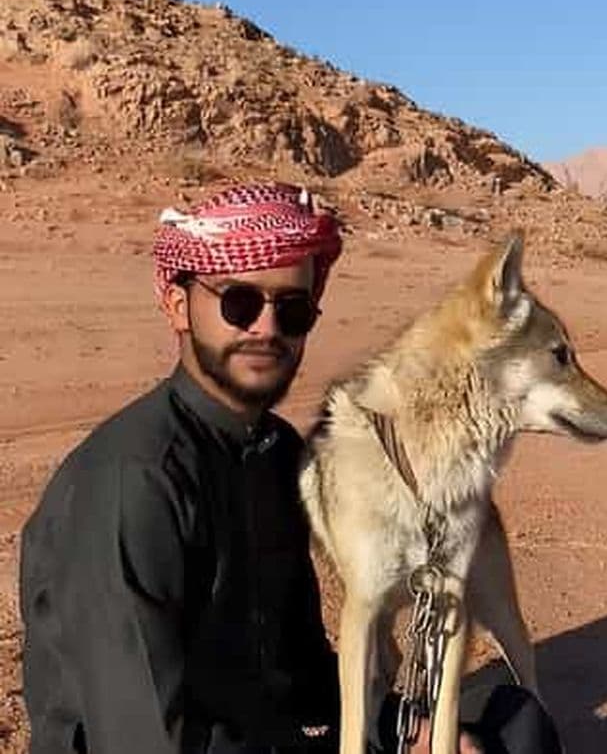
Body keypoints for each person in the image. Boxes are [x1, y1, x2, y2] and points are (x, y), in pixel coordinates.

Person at [19, 182, 563, 754]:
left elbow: (299, 667)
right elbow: (143, 734)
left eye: (292, 310)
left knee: (515, 727)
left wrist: (407, 731)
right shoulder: (133, 483)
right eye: (239, 303)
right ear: (178, 305)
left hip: (270, 738)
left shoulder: (278, 453)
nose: (266, 329)